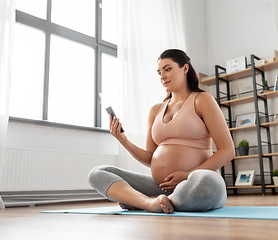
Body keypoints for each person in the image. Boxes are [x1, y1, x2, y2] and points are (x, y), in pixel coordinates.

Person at [88, 49, 235, 214]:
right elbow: (151, 158)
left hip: (196, 182)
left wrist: (187, 175)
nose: (162, 76)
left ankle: (151, 201)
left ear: (185, 68)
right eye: (159, 72)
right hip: (161, 187)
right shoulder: (156, 110)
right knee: (98, 173)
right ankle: (150, 203)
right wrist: (124, 140)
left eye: (167, 69)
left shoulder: (202, 100)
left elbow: (227, 151)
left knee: (207, 183)